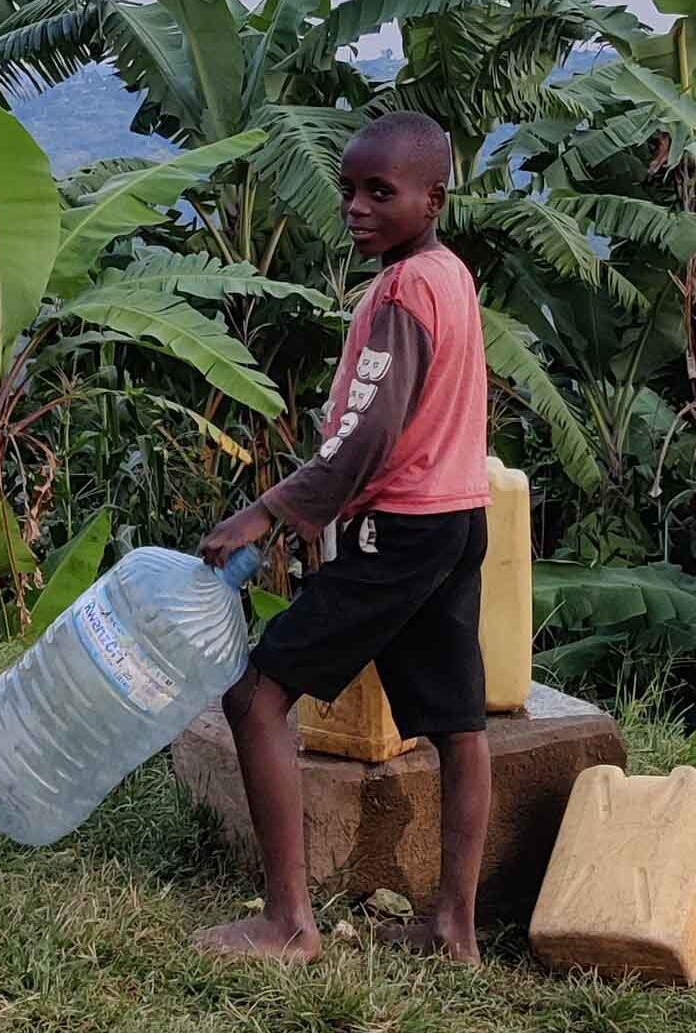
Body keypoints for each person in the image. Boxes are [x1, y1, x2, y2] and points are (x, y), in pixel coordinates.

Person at [193, 110, 493, 966]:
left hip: (397, 530)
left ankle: (289, 923)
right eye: (350, 190)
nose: (357, 207)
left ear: (433, 198)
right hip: (457, 519)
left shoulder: (403, 291)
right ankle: (454, 928)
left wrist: (271, 511)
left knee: (255, 696)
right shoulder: (450, 275)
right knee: (459, 725)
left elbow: (368, 435)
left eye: (380, 191)